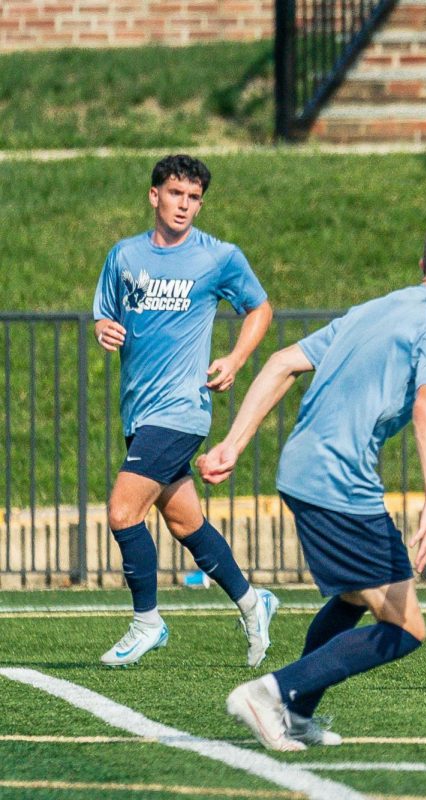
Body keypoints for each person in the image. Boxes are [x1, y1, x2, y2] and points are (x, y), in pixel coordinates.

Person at [199, 216, 426, 751]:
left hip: (305, 471)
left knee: (357, 596)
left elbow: (284, 362)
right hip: (339, 480)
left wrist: (233, 444)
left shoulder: (374, 309)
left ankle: (297, 712)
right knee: (404, 629)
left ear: (423, 266)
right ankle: (272, 693)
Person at [92, 154, 276, 668]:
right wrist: (102, 329)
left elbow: (260, 308)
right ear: (155, 196)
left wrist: (237, 358)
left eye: (194, 198)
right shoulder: (124, 256)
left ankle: (147, 622)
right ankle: (252, 601)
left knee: (123, 512)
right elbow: (106, 314)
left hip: (181, 409)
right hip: (140, 412)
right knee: (185, 523)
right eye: (177, 194)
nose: (185, 206)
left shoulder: (218, 257)